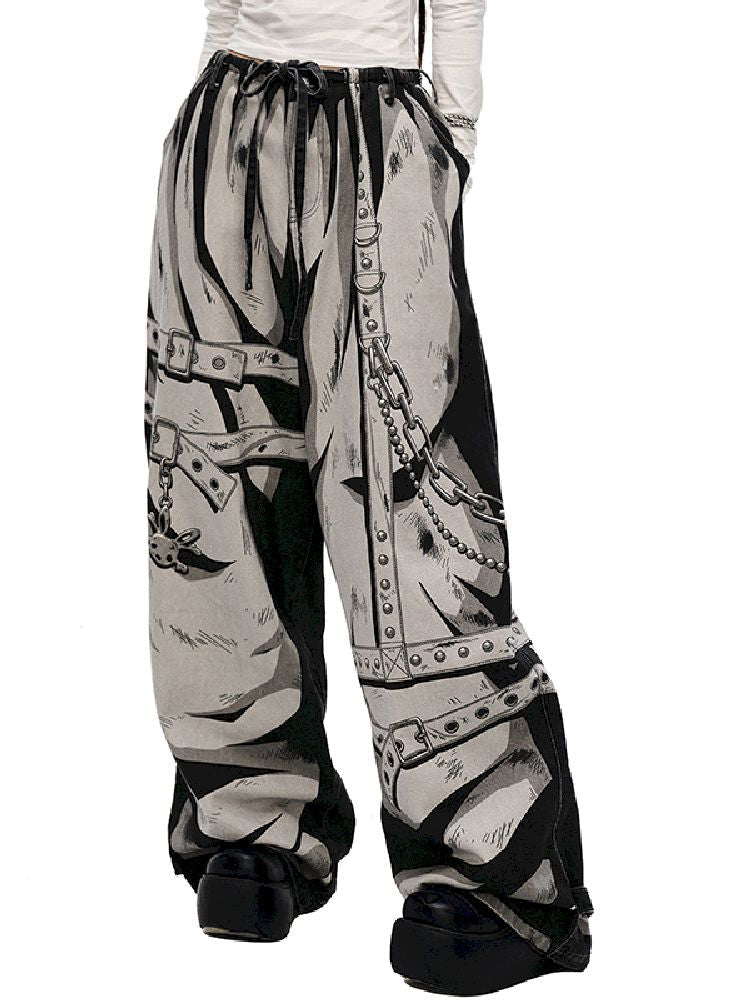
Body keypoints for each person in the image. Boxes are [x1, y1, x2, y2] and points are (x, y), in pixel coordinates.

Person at [145, 1, 592, 992]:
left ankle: (473, 857)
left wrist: (446, 130)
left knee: (392, 488)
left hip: (359, 118)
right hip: (249, 112)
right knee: (223, 472)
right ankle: (260, 819)